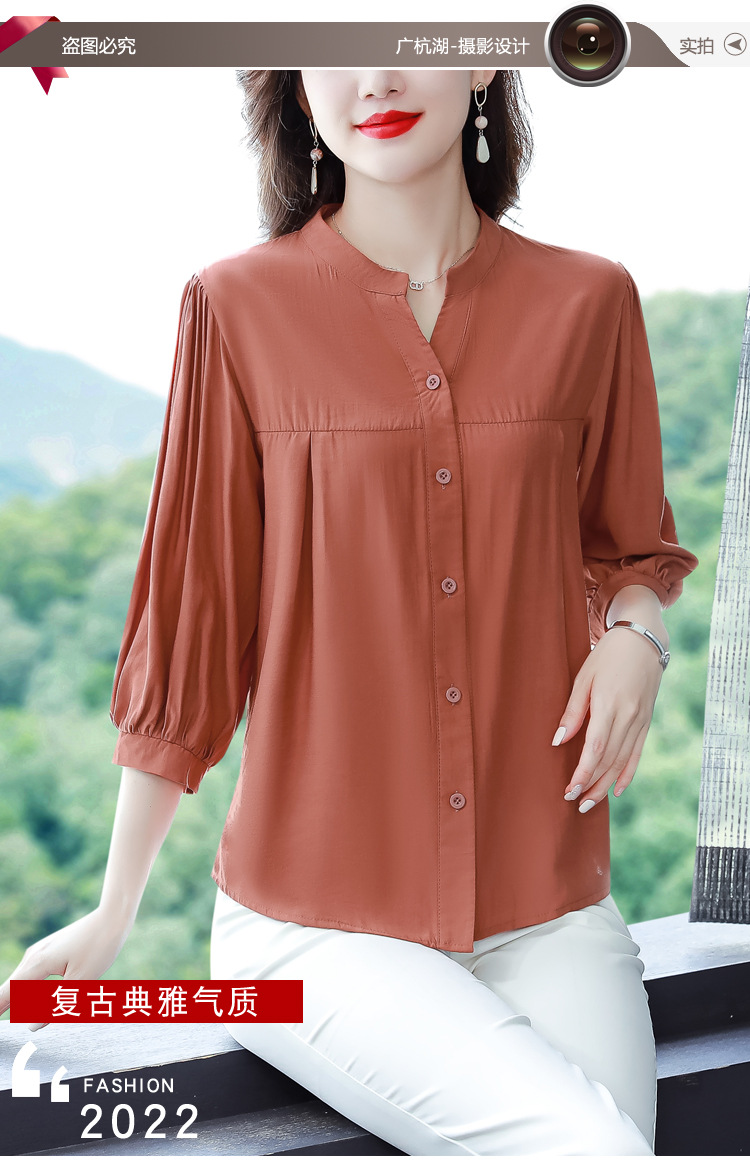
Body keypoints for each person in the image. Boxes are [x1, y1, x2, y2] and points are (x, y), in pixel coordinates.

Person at [0, 69, 699, 1156]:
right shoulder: (235, 309)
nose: (373, 76)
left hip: (550, 906)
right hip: (315, 930)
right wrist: (115, 907)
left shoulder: (590, 300)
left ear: (480, 58)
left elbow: (628, 545)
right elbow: (193, 625)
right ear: (294, 87)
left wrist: (636, 631)